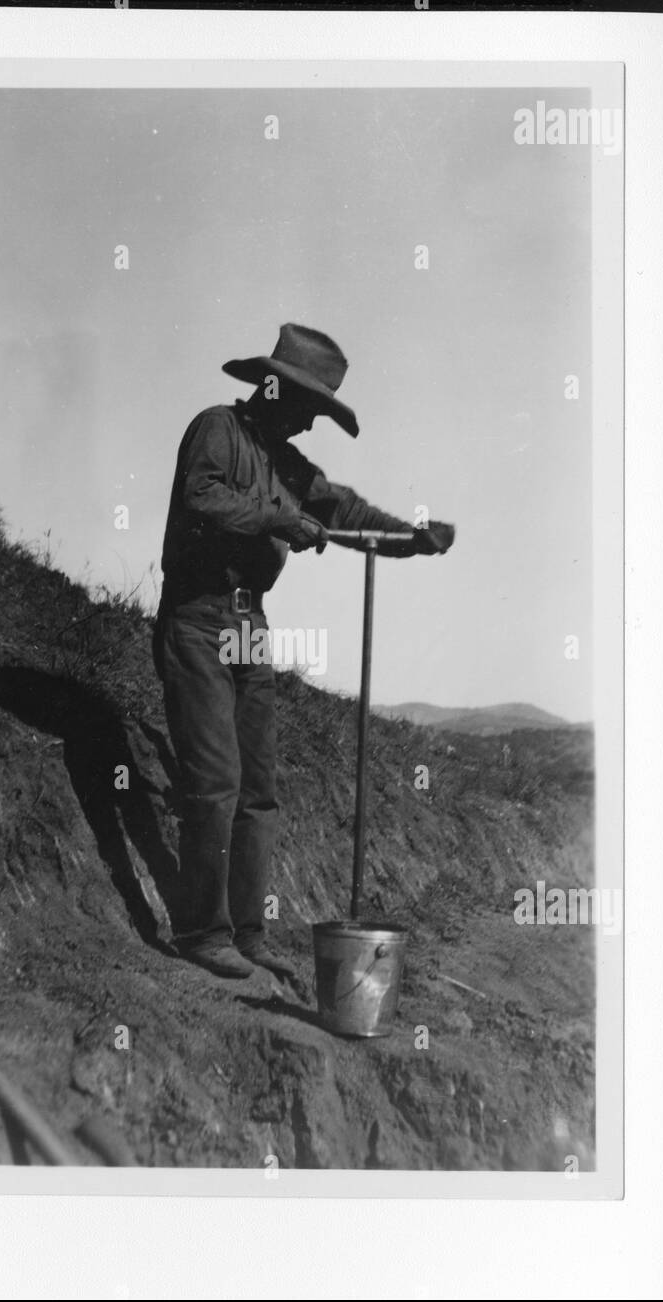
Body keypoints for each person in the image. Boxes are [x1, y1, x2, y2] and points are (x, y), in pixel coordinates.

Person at [153, 324, 455, 979]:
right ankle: (203, 933)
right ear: (272, 387)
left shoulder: (289, 465)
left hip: (247, 628)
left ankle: (248, 932)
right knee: (213, 783)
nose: (312, 425)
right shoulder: (215, 430)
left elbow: (341, 510)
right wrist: (277, 520)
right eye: (308, 409)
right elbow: (201, 501)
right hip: (197, 617)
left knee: (257, 791)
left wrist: (413, 537)